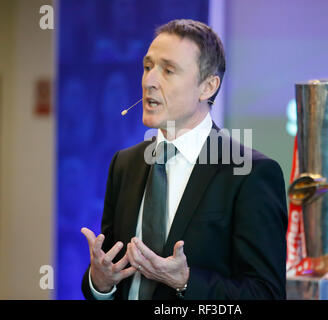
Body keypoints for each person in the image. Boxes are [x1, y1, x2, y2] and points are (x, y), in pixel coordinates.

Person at [81, 19, 287, 300]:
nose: (149, 81)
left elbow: (266, 294)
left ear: (208, 87)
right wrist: (100, 282)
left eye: (168, 70)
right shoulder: (124, 164)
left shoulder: (249, 173)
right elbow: (111, 276)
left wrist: (186, 281)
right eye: (147, 67)